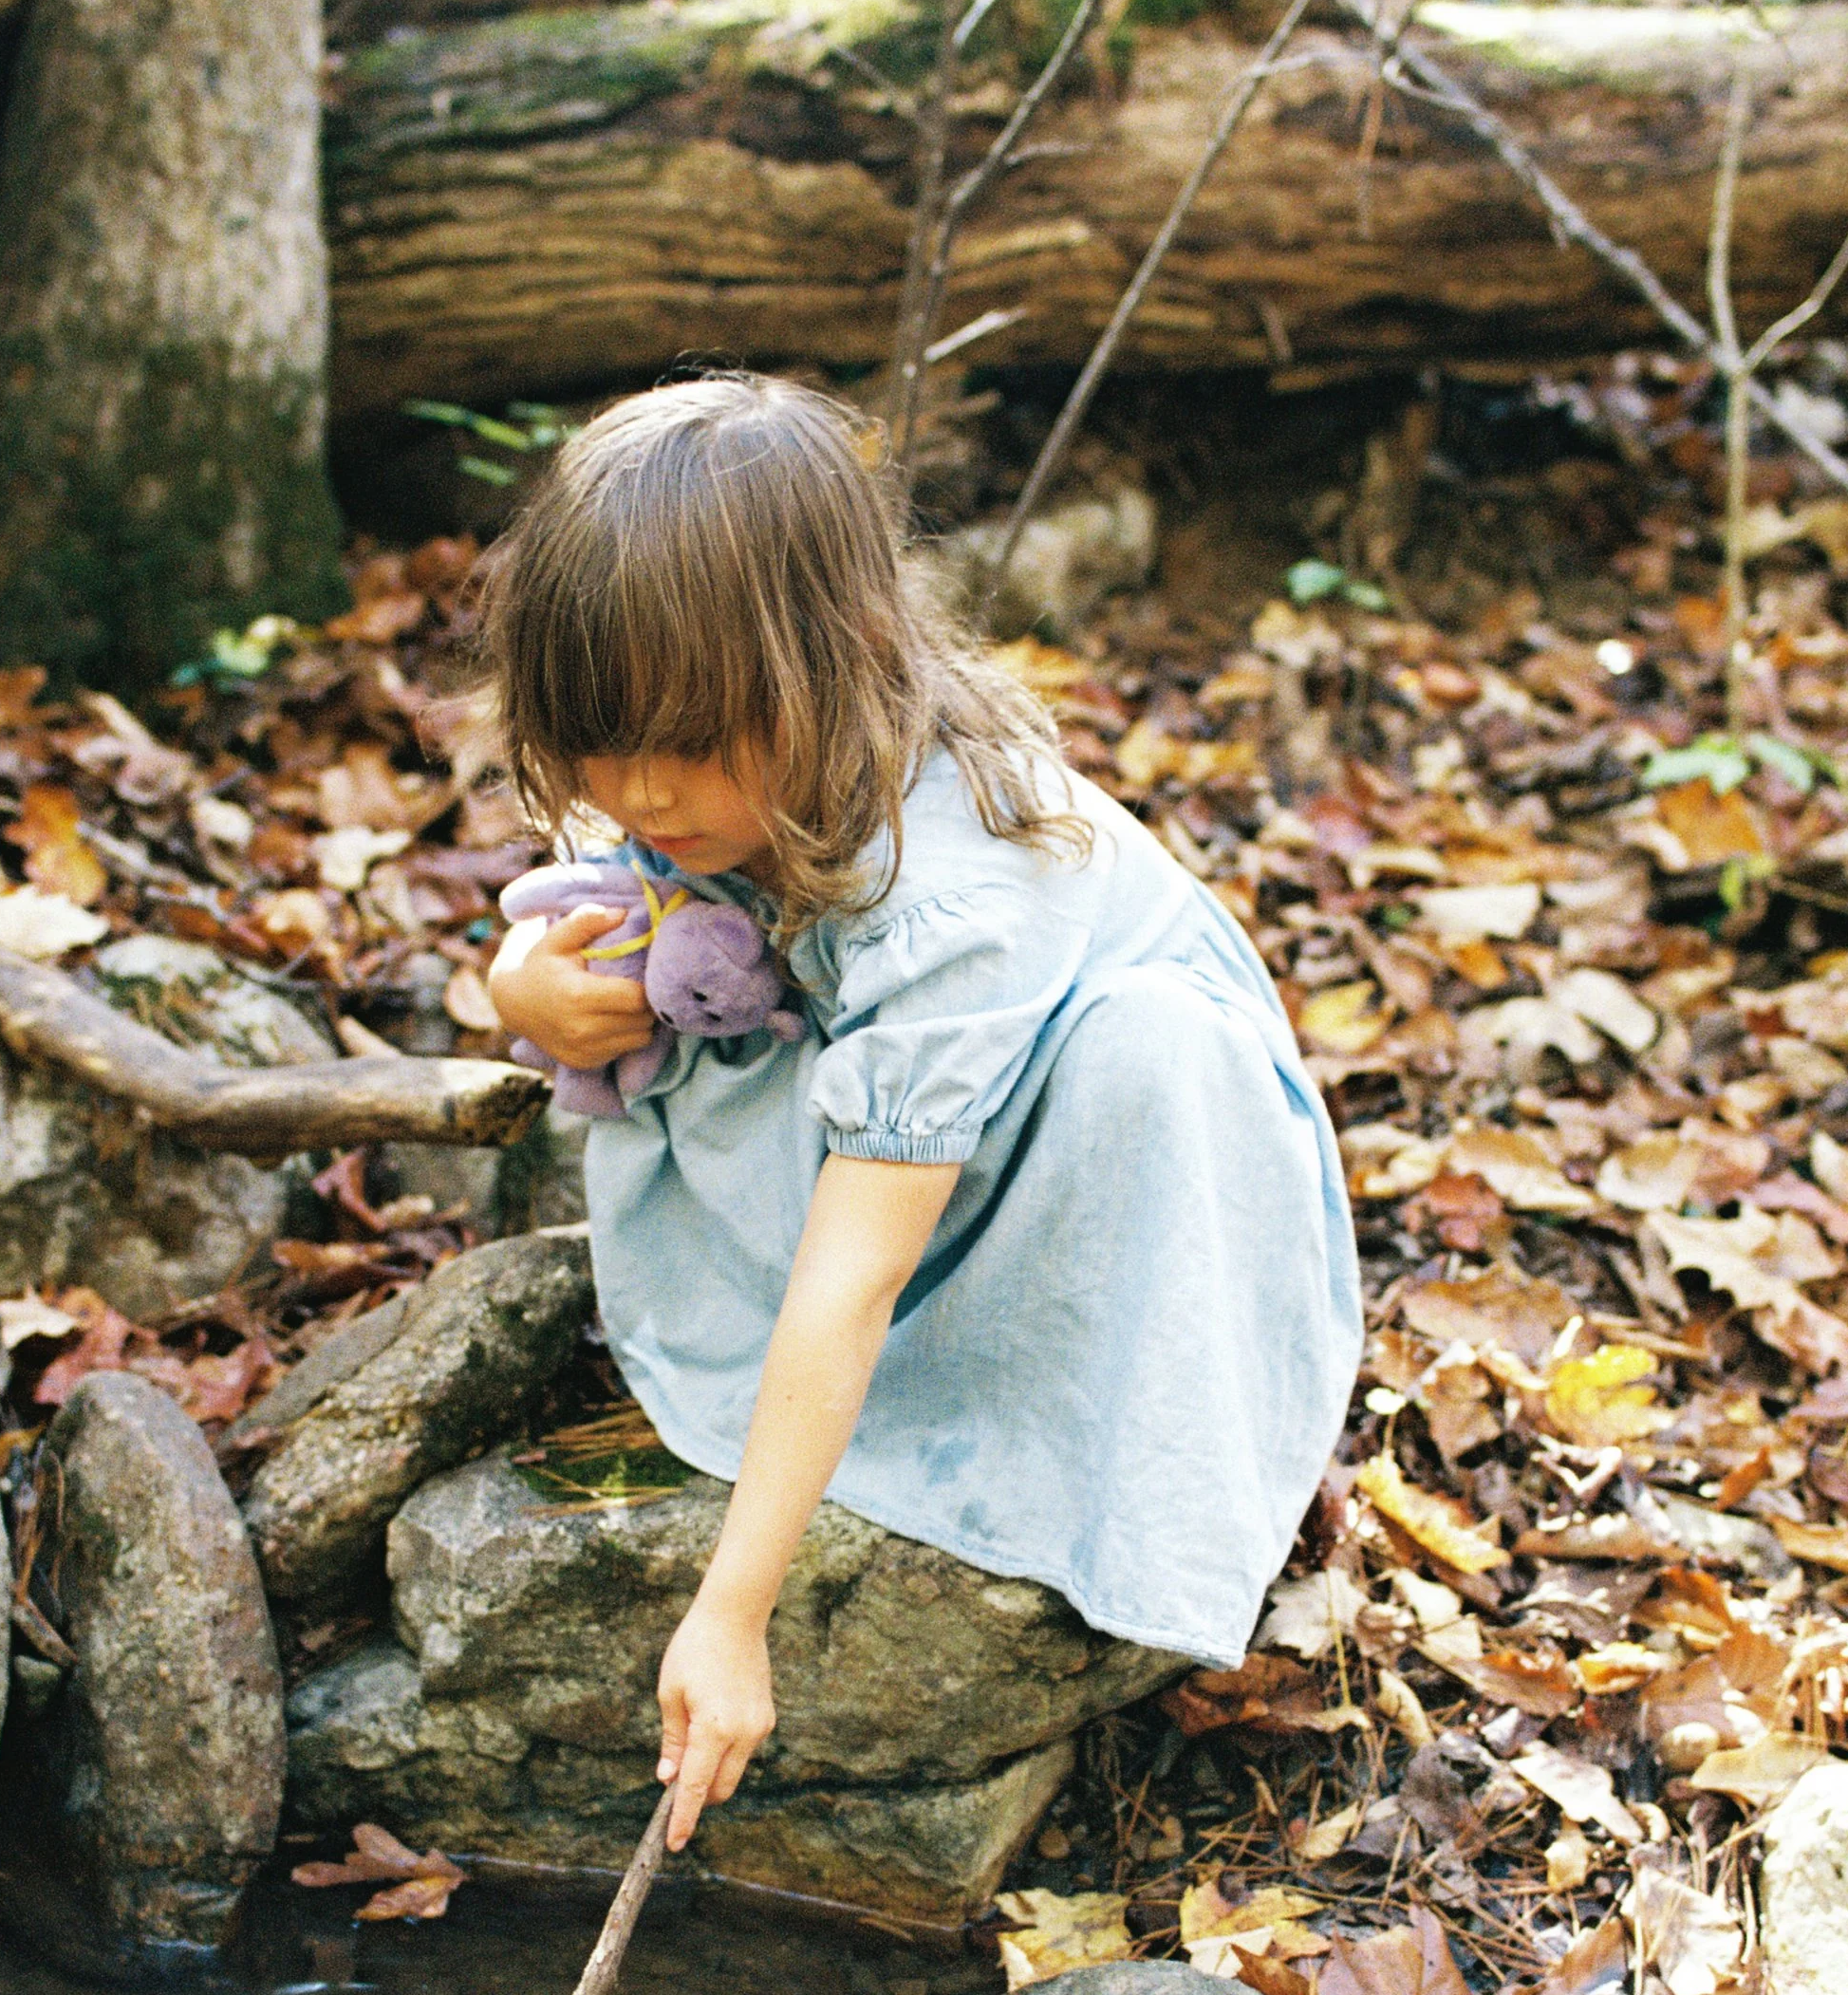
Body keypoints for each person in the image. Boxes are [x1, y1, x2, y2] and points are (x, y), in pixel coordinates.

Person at [480, 373, 1362, 1852]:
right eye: (596, 742)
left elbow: (857, 1267)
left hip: (1088, 1149)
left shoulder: (954, 884)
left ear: (832, 667)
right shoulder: (700, 772)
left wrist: (734, 1608)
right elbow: (600, 886)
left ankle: (1009, 1410)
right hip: (894, 1129)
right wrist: (524, 990)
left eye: (680, 743)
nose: (637, 791)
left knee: (1126, 1076)